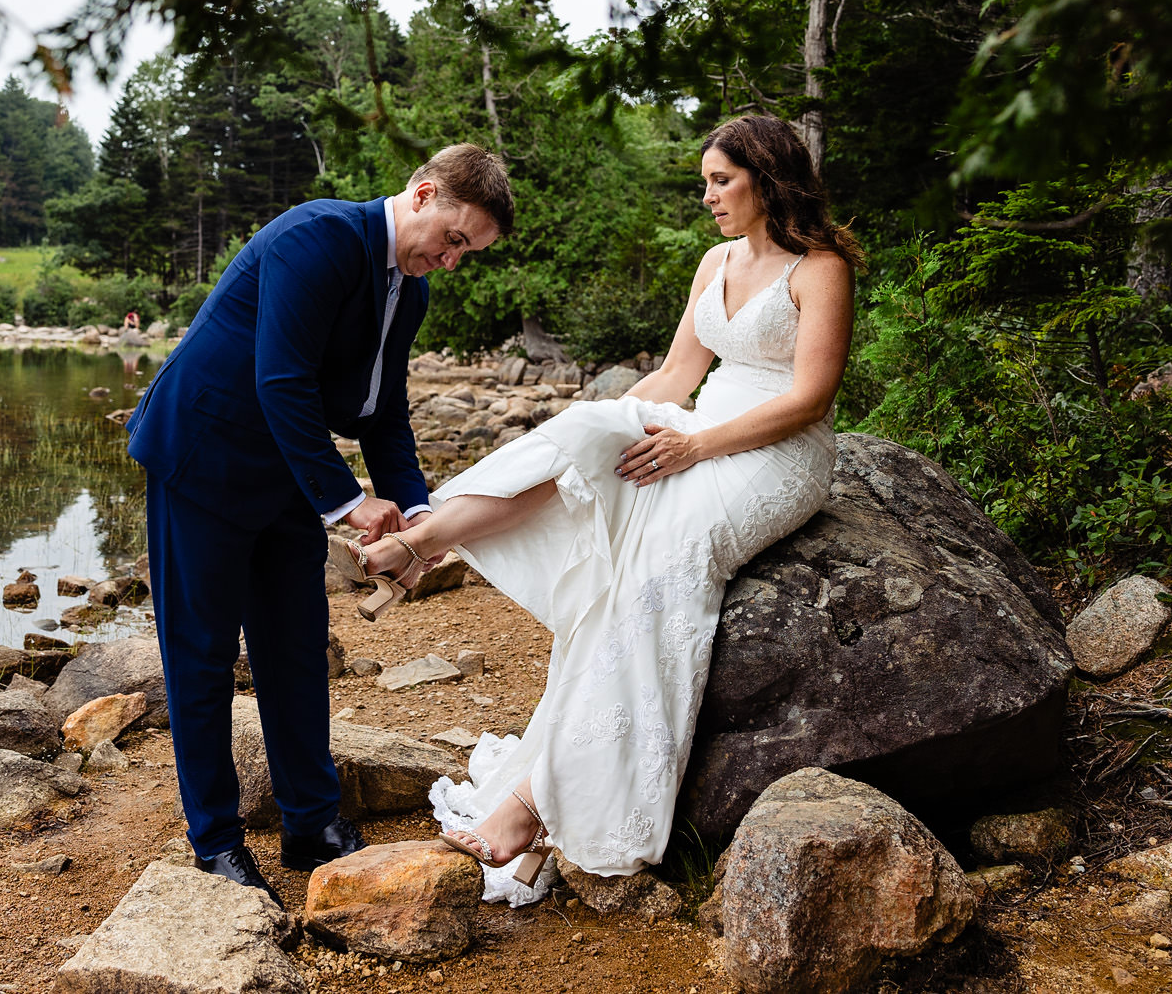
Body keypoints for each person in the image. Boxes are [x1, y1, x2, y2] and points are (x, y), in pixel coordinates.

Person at [355, 115, 863, 887]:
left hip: (778, 452)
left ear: (767, 177)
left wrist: (694, 445)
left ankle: (530, 805)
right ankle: (431, 535)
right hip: (703, 424)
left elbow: (811, 396)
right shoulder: (717, 261)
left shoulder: (819, 266)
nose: (708, 197)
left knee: (650, 569)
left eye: (721, 180)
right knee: (591, 432)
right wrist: (602, 424)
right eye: (704, 181)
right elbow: (673, 376)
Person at [125, 144, 514, 901]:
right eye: (456, 238)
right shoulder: (319, 235)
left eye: (471, 250)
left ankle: (311, 823)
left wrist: (419, 517)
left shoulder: (413, 291)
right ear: (423, 193)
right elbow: (282, 380)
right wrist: (348, 502)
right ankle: (216, 843)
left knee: (296, 650)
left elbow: (383, 411)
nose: (455, 259)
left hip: (284, 475)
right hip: (201, 457)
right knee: (202, 659)